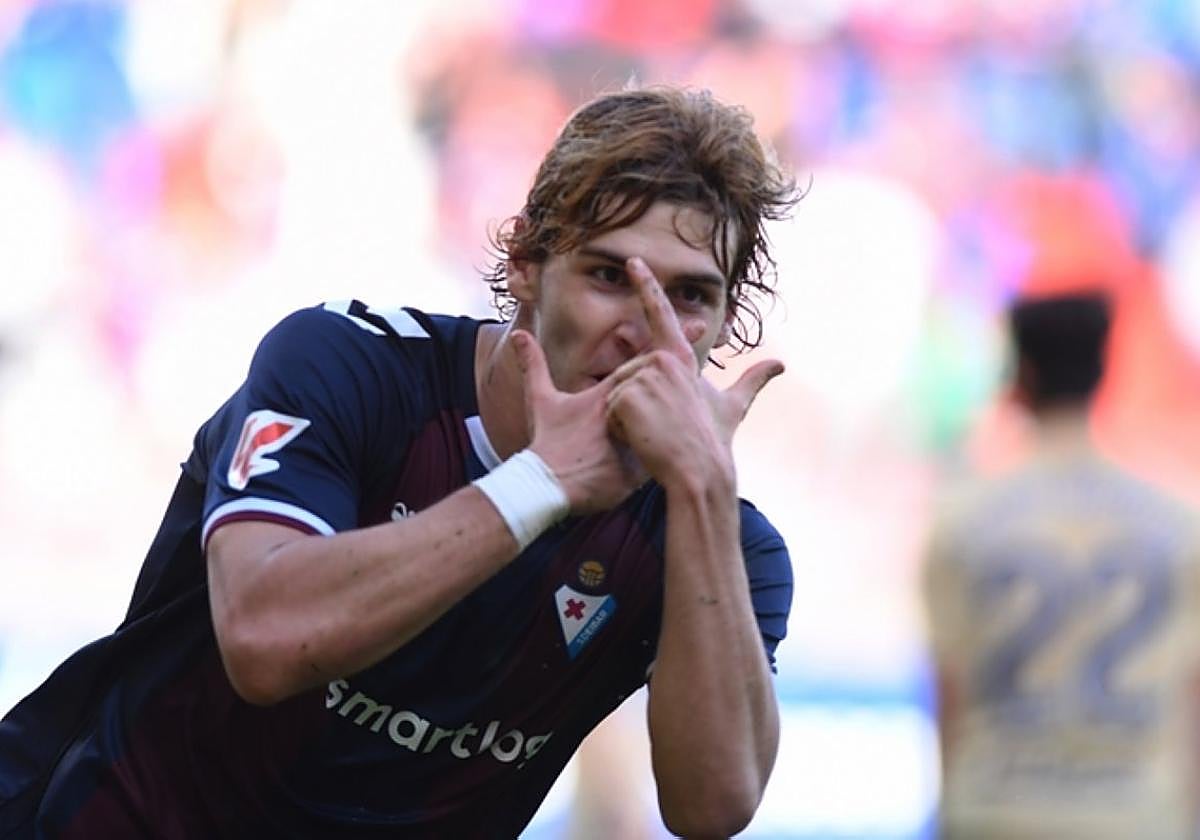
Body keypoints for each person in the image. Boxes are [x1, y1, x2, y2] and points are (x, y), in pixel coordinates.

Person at [0, 86, 797, 838]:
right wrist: (539, 485)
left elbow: (713, 806)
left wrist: (703, 491)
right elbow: (264, 638)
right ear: (525, 261)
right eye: (608, 277)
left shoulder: (718, 539)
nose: (645, 328)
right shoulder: (351, 369)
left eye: (691, 297)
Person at [922, 291, 1200, 839]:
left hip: (999, 811)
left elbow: (950, 692)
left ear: (1019, 379)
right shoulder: (1176, 526)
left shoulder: (962, 522)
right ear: (1102, 370)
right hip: (1138, 816)